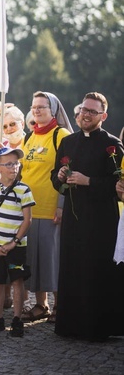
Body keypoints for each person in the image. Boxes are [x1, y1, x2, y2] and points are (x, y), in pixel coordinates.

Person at [51, 92, 124, 341]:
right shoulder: (68, 142)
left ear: (103, 116)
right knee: (71, 268)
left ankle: (97, 327)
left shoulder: (112, 144)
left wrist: (88, 181)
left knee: (96, 271)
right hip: (74, 218)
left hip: (101, 220)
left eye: (92, 111)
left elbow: (118, 185)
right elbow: (54, 179)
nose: (86, 114)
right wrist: (60, 177)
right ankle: (70, 325)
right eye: (83, 109)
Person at [20, 91, 73, 324]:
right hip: (30, 210)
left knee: (54, 261)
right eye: (34, 106)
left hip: (52, 208)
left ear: (53, 110)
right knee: (34, 261)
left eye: (42, 106)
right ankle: (41, 306)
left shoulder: (61, 135)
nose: (37, 110)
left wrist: (61, 205)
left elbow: (67, 174)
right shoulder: (29, 137)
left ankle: (61, 305)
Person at [0, 147, 35, 336]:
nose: (14, 167)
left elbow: (27, 220)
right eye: (9, 164)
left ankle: (17, 319)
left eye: (16, 163)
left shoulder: (24, 190)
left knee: (17, 280)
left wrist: (14, 242)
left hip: (16, 246)